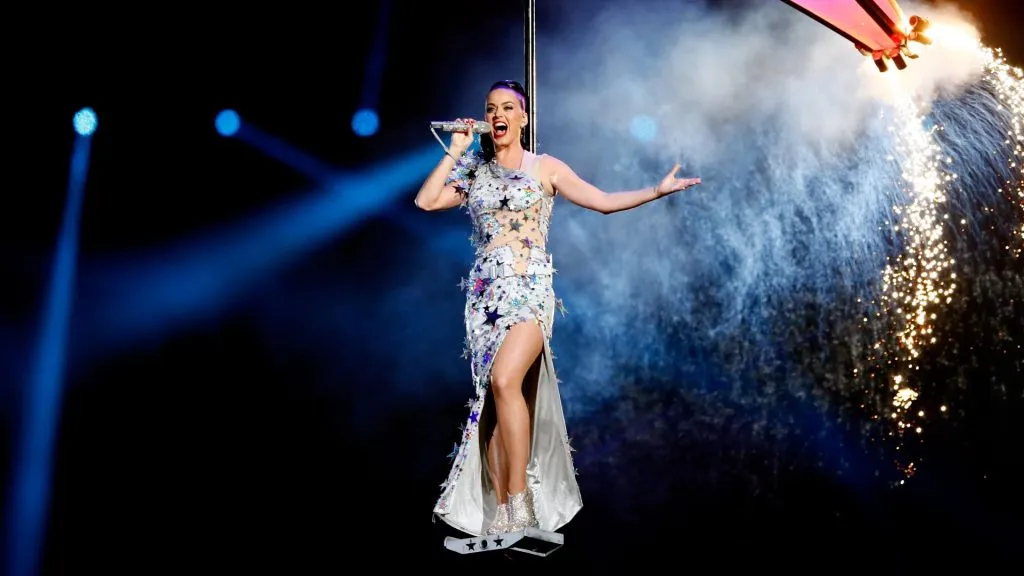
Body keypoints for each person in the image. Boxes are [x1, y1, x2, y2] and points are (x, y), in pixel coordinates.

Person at [415, 79, 701, 537]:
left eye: (508, 108)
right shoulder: (475, 171)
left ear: (523, 118)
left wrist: (656, 190)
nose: (497, 115)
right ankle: (501, 513)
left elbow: (602, 202)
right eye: (490, 108)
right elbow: (426, 200)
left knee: (505, 379)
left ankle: (520, 503)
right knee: (493, 401)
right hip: (486, 301)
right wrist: (457, 149)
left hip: (529, 293)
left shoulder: (544, 167)